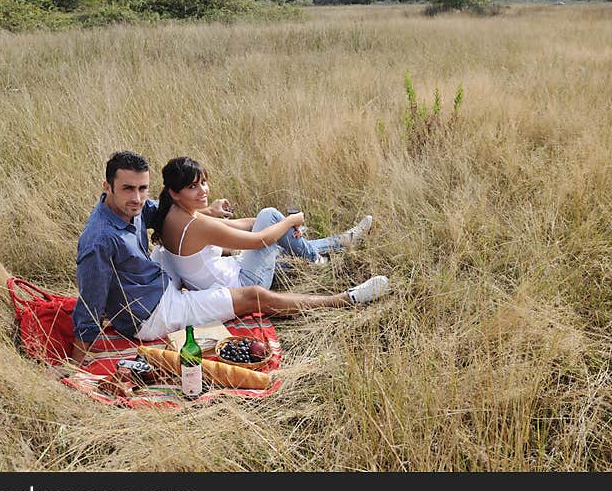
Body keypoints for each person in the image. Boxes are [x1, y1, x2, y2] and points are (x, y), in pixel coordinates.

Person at [71, 151, 389, 366]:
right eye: (128, 189)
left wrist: (207, 212)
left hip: (158, 277)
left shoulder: (137, 209)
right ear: (107, 187)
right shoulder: (99, 240)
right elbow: (89, 305)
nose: (138, 198)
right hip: (153, 312)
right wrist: (75, 366)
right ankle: (345, 299)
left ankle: (334, 245)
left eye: (143, 188)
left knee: (263, 249)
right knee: (253, 296)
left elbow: (164, 210)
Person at [150, 156, 374, 291]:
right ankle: (318, 261)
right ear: (175, 192)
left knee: (275, 230)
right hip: (244, 284)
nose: (203, 191)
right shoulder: (196, 225)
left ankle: (343, 240)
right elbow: (260, 241)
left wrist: (280, 225)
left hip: (227, 275)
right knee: (270, 216)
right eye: (193, 187)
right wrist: (290, 221)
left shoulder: (172, 213)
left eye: (204, 182)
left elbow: (238, 225)